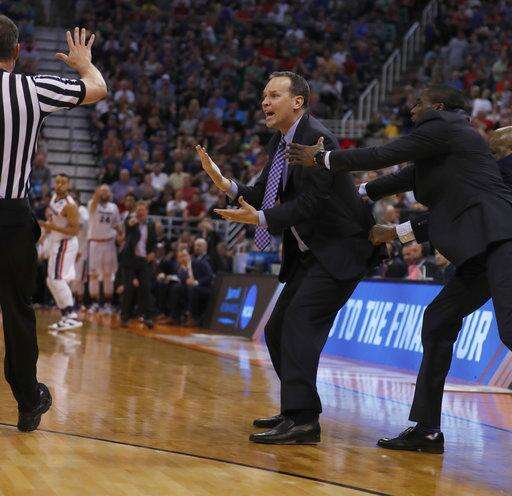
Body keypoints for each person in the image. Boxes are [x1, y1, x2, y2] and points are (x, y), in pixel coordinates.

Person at [288, 84, 512, 453]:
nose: (411, 109)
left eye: (418, 103)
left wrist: (324, 158)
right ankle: (427, 430)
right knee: (437, 321)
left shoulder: (445, 128)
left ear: (437, 106)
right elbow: (407, 176)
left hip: (502, 243)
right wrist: (359, 193)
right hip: (479, 253)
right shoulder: (446, 147)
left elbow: (384, 154)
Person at [197, 71, 377, 444]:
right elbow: (263, 192)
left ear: (297, 102)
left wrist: (261, 219)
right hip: (311, 255)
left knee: (297, 325)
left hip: (340, 251)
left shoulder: (317, 138)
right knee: (278, 329)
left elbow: (311, 204)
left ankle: (304, 420)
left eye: (274, 95)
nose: (265, 101)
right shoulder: (280, 141)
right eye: (264, 95)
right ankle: (295, 410)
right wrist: (225, 184)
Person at [0, 18, 106, 431]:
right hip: (11, 217)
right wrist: (83, 63)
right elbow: (97, 88)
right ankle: (28, 402)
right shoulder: (32, 88)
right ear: (17, 51)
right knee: (17, 311)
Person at [42, 174, 83, 331]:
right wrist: (47, 231)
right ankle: (65, 315)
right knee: (51, 280)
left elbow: (75, 230)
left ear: (68, 185)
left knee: (57, 279)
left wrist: (51, 227)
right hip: (56, 241)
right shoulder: (54, 198)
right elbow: (54, 219)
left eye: (63, 182)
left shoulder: (70, 205)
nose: (59, 185)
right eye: (57, 181)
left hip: (66, 242)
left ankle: (72, 316)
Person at [119, 201, 157, 328]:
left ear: (147, 211)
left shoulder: (151, 224)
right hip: (129, 260)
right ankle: (125, 317)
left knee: (145, 288)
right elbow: (128, 225)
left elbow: (154, 241)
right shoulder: (131, 221)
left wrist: (153, 252)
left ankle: (148, 317)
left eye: (143, 210)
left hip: (143, 260)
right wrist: (134, 221)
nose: (140, 212)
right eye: (138, 210)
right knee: (129, 289)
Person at [87, 184, 122, 313]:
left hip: (109, 243)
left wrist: (121, 235)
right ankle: (95, 302)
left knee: (108, 274)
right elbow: (94, 201)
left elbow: (117, 225)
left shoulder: (114, 207)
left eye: (107, 191)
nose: (104, 193)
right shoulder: (92, 204)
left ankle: (108, 303)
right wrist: (98, 193)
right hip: (95, 243)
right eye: (102, 191)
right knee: (94, 274)